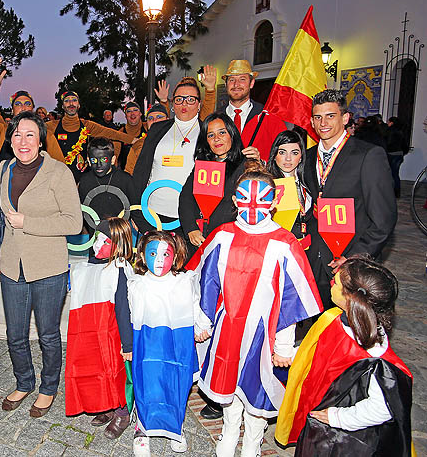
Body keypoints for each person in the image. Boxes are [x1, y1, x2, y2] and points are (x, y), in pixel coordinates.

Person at [187, 162, 322, 457]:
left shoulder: (285, 242)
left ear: (274, 201)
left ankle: (252, 441)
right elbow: (206, 281)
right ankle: (230, 430)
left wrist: (284, 345)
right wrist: (203, 320)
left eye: (261, 198)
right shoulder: (222, 235)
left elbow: (291, 299)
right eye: (244, 197)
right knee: (229, 384)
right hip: (228, 327)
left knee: (257, 388)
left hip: (265, 333)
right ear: (235, 199)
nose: (251, 205)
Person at [0, 111, 82, 418]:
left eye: (29, 134)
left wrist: (28, 222)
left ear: (41, 139)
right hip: (12, 264)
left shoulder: (59, 172)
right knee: (15, 332)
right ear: (9, 140)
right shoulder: (3, 169)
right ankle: (24, 381)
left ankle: (49, 387)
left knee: (48, 334)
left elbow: (74, 222)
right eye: (16, 134)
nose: (22, 141)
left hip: (49, 267)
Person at [275, 255, 413, 456]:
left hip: (342, 437)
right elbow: (316, 347)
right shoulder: (333, 318)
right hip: (317, 407)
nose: (331, 282)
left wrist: (338, 417)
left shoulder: (375, 360)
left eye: (336, 282)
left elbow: (381, 408)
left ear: (351, 298)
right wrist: (291, 355)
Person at [305, 89, 396, 309]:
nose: (323, 123)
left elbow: (383, 221)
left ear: (345, 118)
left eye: (330, 116)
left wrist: (354, 257)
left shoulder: (368, 155)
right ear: (311, 121)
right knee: (318, 327)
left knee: (347, 333)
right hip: (316, 260)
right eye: (318, 117)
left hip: (350, 264)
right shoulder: (308, 157)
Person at [129, 230, 212, 456]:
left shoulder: (184, 283)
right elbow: (129, 315)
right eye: (153, 253)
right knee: (147, 383)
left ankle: (175, 427)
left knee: (176, 385)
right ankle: (143, 428)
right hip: (147, 343)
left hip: (177, 344)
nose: (159, 260)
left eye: (165, 254)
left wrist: (200, 326)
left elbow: (195, 306)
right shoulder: (137, 284)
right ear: (143, 256)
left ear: (175, 257)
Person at [131, 75, 221, 255]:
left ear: (199, 104)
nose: (184, 104)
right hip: (152, 214)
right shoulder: (158, 129)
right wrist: (136, 211)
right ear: (172, 104)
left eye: (190, 99)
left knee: (183, 272)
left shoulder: (208, 134)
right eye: (179, 99)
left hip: (189, 220)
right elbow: (140, 172)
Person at [66, 218, 134, 439]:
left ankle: (122, 412)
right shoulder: (85, 267)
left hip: (111, 334)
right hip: (88, 331)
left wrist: (128, 343)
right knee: (93, 368)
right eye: (97, 238)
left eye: (106, 241)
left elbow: (124, 310)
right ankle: (105, 404)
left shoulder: (119, 269)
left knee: (114, 372)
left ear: (119, 245)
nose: (97, 245)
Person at [179, 112, 259, 250]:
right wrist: (191, 228)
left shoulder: (246, 165)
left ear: (232, 134)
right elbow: (186, 198)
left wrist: (258, 164)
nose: (217, 139)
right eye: (210, 135)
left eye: (222, 132)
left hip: (232, 242)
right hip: (200, 241)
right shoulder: (202, 164)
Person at [0, 57, 65, 162]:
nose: (23, 107)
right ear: (12, 111)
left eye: (27, 104)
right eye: (18, 104)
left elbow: (60, 165)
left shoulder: (46, 135)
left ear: (32, 109)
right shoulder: (2, 132)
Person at [49, 90, 136, 182]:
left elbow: (111, 133)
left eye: (74, 100)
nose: (71, 103)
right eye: (67, 101)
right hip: (59, 178)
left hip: (83, 179)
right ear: (62, 106)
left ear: (78, 105)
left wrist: (133, 140)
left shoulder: (87, 125)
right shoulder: (52, 126)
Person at [221, 59, 286, 160]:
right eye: (231, 80)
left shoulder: (269, 118)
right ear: (226, 85)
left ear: (251, 83)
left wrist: (261, 162)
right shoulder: (216, 119)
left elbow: (285, 156)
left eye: (242, 79)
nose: (236, 84)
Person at [78, 137, 136, 229]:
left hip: (120, 233)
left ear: (112, 160)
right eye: (94, 160)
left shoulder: (125, 180)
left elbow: (136, 207)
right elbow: (81, 210)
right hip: (95, 234)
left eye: (103, 160)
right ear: (88, 161)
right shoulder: (85, 181)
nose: (99, 165)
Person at [266, 130, 312, 246]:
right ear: (274, 155)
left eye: (294, 153)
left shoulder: (309, 183)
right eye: (282, 152)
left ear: (301, 156)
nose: (288, 158)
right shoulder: (267, 186)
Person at [124, 102, 169, 175]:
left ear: (167, 119)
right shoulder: (138, 146)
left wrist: (164, 101)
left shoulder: (177, 141)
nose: (154, 120)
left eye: (159, 117)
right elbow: (129, 173)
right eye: (150, 118)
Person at [115, 102, 148, 169]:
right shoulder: (121, 133)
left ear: (140, 113)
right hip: (126, 174)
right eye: (129, 111)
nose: (132, 113)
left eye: (135, 110)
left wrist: (164, 101)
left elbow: (163, 125)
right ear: (125, 116)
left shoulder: (148, 127)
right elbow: (115, 155)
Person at [386, 116, 410, 197]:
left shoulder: (389, 131)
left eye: (388, 122)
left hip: (392, 154)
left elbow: (388, 142)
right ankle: (397, 191)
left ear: (391, 123)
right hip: (399, 154)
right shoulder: (401, 131)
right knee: (395, 173)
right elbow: (405, 144)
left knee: (391, 173)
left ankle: (391, 191)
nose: (387, 123)